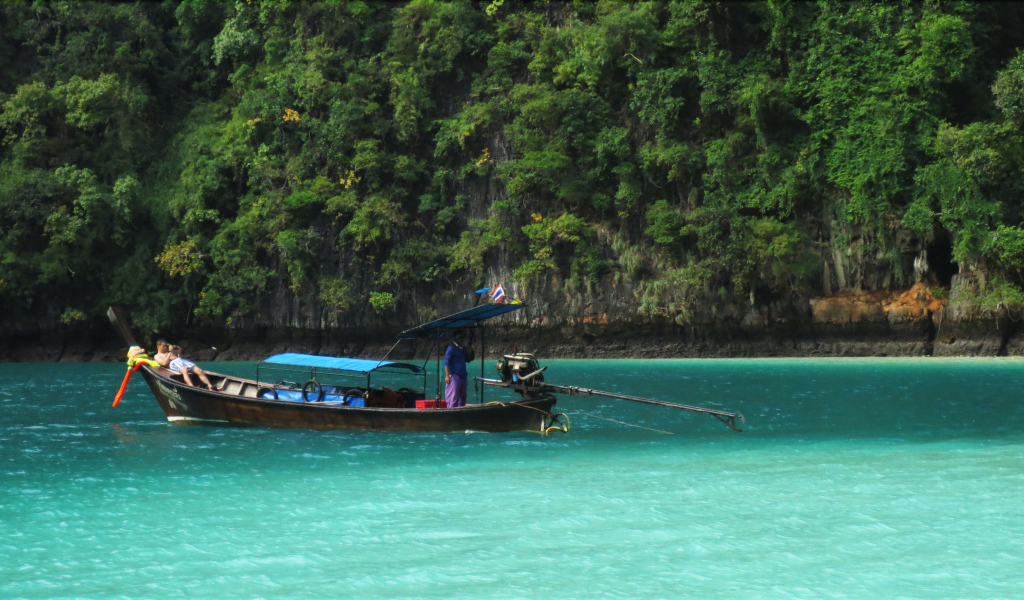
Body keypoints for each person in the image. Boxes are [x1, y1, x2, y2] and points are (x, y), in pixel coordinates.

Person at [444, 330, 469, 408]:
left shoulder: (463, 348)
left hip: (463, 375)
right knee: (453, 396)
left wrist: (470, 351)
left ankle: (461, 411)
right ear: (456, 338)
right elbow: (446, 362)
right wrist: (447, 376)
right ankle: (451, 411)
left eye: (463, 337)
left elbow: (468, 359)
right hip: (454, 375)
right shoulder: (451, 348)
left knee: (463, 396)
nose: (462, 339)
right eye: (460, 337)